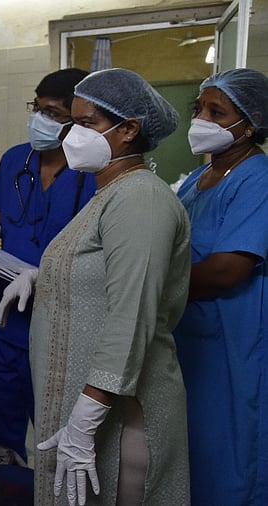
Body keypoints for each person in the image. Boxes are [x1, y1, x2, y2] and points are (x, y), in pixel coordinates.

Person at [0, 68, 191, 505]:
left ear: (128, 130)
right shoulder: (109, 194)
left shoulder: (140, 197)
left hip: (117, 414)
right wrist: (42, 276)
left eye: (86, 125)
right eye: (75, 123)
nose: (71, 135)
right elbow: (100, 271)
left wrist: (85, 424)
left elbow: (132, 314)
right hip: (87, 403)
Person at [0, 68, 96, 461]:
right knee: (3, 431)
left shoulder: (92, 169)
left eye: (54, 112)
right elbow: (3, 217)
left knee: (56, 431)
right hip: (7, 320)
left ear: (77, 117)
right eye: (37, 108)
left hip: (62, 322)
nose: (40, 120)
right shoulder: (13, 161)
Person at [173, 68, 268, 506]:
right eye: (199, 109)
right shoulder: (197, 180)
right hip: (189, 338)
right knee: (191, 451)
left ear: (250, 123)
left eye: (217, 112)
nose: (201, 120)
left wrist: (149, 283)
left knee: (230, 454)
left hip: (233, 339)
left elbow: (229, 269)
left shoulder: (257, 179)